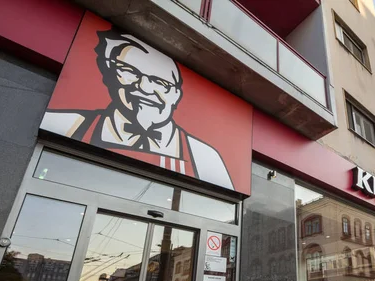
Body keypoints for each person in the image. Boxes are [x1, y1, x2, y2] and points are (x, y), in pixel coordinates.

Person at [40, 29, 234, 190]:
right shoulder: (66, 124)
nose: (145, 88)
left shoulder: (205, 157)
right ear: (110, 76)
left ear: (176, 95)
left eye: (160, 82)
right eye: (130, 72)